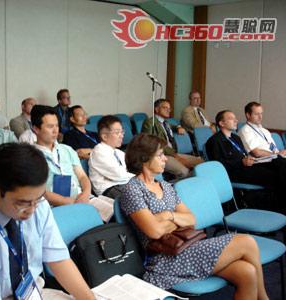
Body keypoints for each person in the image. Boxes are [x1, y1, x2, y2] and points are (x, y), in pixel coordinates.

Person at [121, 133, 268, 300]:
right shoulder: (132, 190)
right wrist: (176, 220)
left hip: (187, 246)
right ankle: (264, 298)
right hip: (164, 259)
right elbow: (154, 232)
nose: (166, 159)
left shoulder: (165, 186)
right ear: (144, 158)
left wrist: (168, 216)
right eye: (160, 155)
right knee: (246, 241)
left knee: (247, 272)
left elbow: (192, 219)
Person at [0, 143, 95, 300]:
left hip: (34, 293)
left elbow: (58, 259)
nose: (33, 209)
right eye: (23, 203)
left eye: (38, 198)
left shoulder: (37, 203)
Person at [206, 110, 286, 211]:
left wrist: (248, 158)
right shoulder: (214, 141)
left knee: (279, 163)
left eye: (235, 118)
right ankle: (277, 208)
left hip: (248, 165)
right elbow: (217, 165)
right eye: (231, 118)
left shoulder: (236, 138)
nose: (236, 120)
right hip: (234, 172)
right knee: (276, 176)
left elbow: (243, 154)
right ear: (222, 123)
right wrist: (241, 162)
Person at [32, 105, 91, 206]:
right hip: (53, 205)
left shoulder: (67, 150)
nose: (56, 131)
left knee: (111, 210)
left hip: (81, 198)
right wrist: (65, 201)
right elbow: (37, 190)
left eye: (57, 126)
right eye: (50, 127)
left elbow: (82, 177)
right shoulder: (29, 156)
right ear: (36, 129)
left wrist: (86, 194)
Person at [142, 99, 203, 179]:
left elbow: (172, 126)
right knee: (185, 172)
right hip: (162, 155)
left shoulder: (166, 123)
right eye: (165, 108)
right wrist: (176, 157)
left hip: (174, 153)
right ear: (156, 109)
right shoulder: (150, 122)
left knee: (201, 163)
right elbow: (151, 143)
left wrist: (178, 127)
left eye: (169, 108)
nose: (168, 110)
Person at [89, 115, 133, 197]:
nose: (121, 135)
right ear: (104, 136)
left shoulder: (118, 152)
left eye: (122, 132)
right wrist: (137, 177)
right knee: (139, 196)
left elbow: (130, 169)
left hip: (124, 183)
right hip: (109, 188)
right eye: (117, 133)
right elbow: (119, 175)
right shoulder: (99, 151)